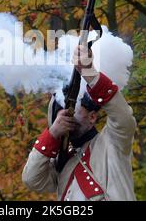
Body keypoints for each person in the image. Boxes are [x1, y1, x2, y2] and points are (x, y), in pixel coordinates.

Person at [22, 45, 136, 201]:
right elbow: (31, 180)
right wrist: (52, 134)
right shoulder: (61, 160)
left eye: (75, 107)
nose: (68, 112)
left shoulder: (112, 142)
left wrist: (89, 72)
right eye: (63, 108)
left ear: (92, 117)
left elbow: (124, 118)